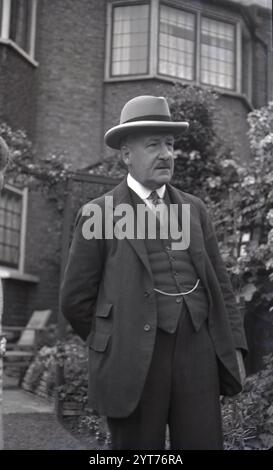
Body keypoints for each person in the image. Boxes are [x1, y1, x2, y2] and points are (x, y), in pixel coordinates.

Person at [60, 95, 247, 450]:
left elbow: (220, 286)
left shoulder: (195, 210)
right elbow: (75, 300)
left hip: (197, 351)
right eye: (153, 144)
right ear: (127, 154)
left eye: (170, 144)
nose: (166, 154)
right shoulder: (98, 214)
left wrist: (233, 346)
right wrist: (114, 340)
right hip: (134, 358)